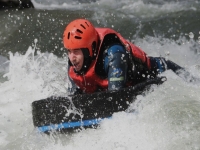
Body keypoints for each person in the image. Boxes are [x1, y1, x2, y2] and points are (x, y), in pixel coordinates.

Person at [63, 19, 190, 94]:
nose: (72, 57)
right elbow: (75, 96)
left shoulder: (114, 54)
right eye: (69, 51)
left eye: (76, 51)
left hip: (165, 71)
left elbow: (115, 98)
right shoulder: (75, 63)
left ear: (90, 49)